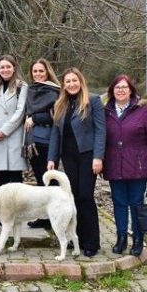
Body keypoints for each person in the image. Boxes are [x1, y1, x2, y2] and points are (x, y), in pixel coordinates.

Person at [47, 67, 105, 257]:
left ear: (81, 81)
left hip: (88, 155)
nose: (71, 84)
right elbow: (56, 133)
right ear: (63, 85)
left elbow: (100, 130)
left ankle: (92, 242)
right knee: (73, 197)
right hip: (69, 156)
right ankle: (77, 238)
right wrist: (52, 158)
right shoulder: (60, 104)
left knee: (86, 196)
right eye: (68, 81)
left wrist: (98, 156)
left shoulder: (93, 101)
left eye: (74, 80)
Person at [103, 74, 147, 257]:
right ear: (112, 90)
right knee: (119, 203)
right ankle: (121, 238)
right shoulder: (106, 111)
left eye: (124, 87)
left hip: (138, 166)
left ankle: (138, 239)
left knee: (137, 203)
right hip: (114, 164)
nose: (120, 90)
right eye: (117, 87)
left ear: (131, 90)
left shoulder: (143, 111)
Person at [24, 59, 61, 229]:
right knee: (40, 180)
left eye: (41, 71)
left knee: (51, 181)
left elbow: (56, 116)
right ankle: (44, 217)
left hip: (48, 140)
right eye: (35, 71)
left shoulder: (54, 91)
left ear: (48, 72)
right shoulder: (31, 89)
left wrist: (35, 118)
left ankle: (57, 217)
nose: (38, 74)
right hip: (33, 141)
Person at [0, 55, 28, 186]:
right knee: (2, 179)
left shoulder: (22, 86)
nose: (5, 70)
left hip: (13, 136)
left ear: (14, 68)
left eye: (8, 67)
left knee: (16, 179)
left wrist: (4, 131)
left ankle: (17, 207)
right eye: (2, 67)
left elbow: (21, 111)